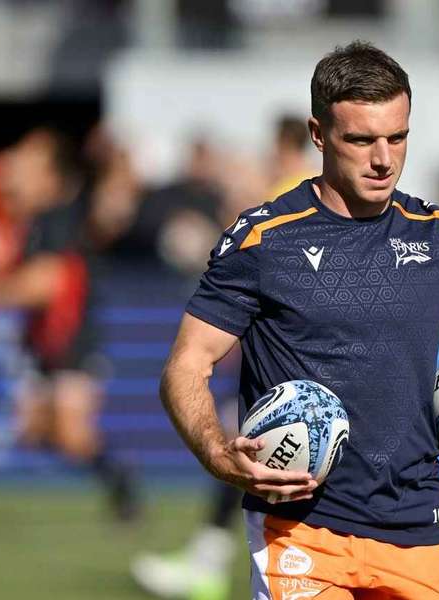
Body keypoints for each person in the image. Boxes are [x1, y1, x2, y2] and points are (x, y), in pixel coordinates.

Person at [160, 41, 439, 600]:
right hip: (300, 529)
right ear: (318, 134)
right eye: (361, 139)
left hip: (417, 529)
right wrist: (216, 450)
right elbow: (186, 365)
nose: (383, 159)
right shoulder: (263, 241)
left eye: (397, 137)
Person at [132, 115, 316, 600]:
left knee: (250, 452)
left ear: (284, 144)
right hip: (286, 355)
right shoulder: (302, 189)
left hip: (289, 362)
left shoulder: (288, 194)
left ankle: (212, 566)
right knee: (249, 451)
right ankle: (209, 562)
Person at [0, 127, 140, 521]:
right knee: (34, 429)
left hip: (72, 336)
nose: (13, 167)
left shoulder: (61, 216)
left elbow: (47, 280)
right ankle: (114, 476)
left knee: (68, 432)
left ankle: (121, 481)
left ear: (50, 174)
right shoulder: (28, 218)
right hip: (41, 337)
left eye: (28, 161)